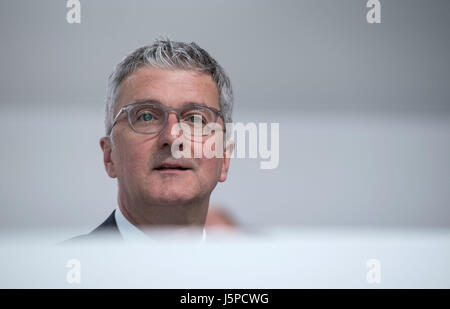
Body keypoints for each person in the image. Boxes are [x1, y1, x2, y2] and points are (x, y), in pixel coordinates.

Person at [66, 38, 234, 243]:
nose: (172, 137)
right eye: (146, 117)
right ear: (109, 156)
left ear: (224, 159)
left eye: (195, 119)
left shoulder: (255, 273)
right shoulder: (52, 270)